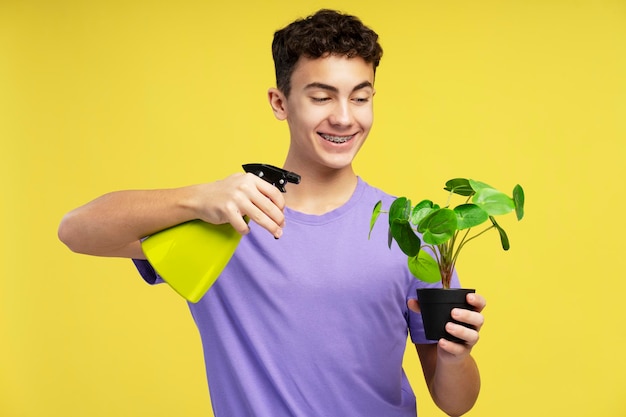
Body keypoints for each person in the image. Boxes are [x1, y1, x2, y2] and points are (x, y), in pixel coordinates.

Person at [58, 9, 486, 417]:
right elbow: (76, 231)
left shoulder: (409, 228)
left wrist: (454, 356)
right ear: (280, 103)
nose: (343, 117)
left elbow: (455, 403)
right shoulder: (224, 220)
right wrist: (197, 199)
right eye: (321, 97)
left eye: (360, 97)